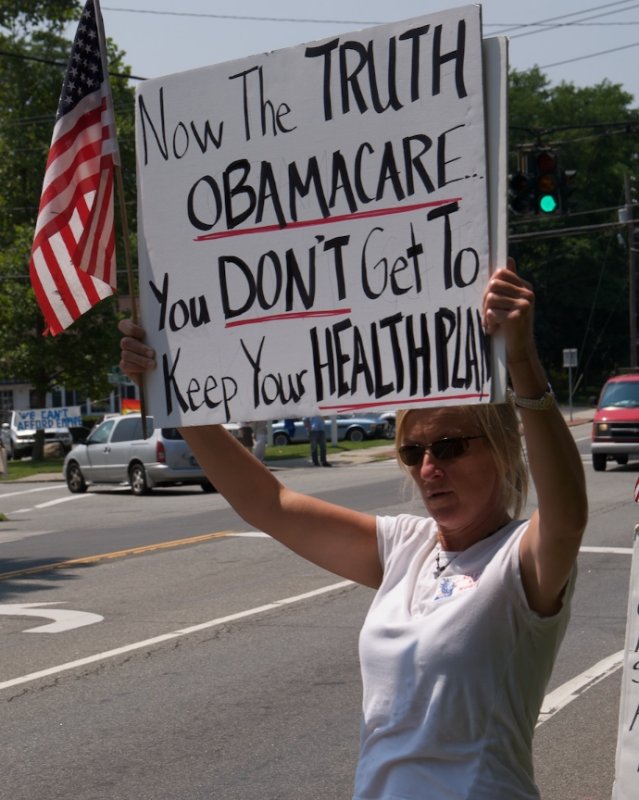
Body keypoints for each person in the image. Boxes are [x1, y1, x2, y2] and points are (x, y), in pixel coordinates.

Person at [118, 261, 587, 800]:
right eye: (414, 452)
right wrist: (176, 394)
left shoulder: (519, 560)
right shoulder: (404, 547)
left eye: (451, 447)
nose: (430, 469)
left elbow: (567, 514)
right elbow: (269, 503)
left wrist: (522, 361)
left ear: (502, 450)